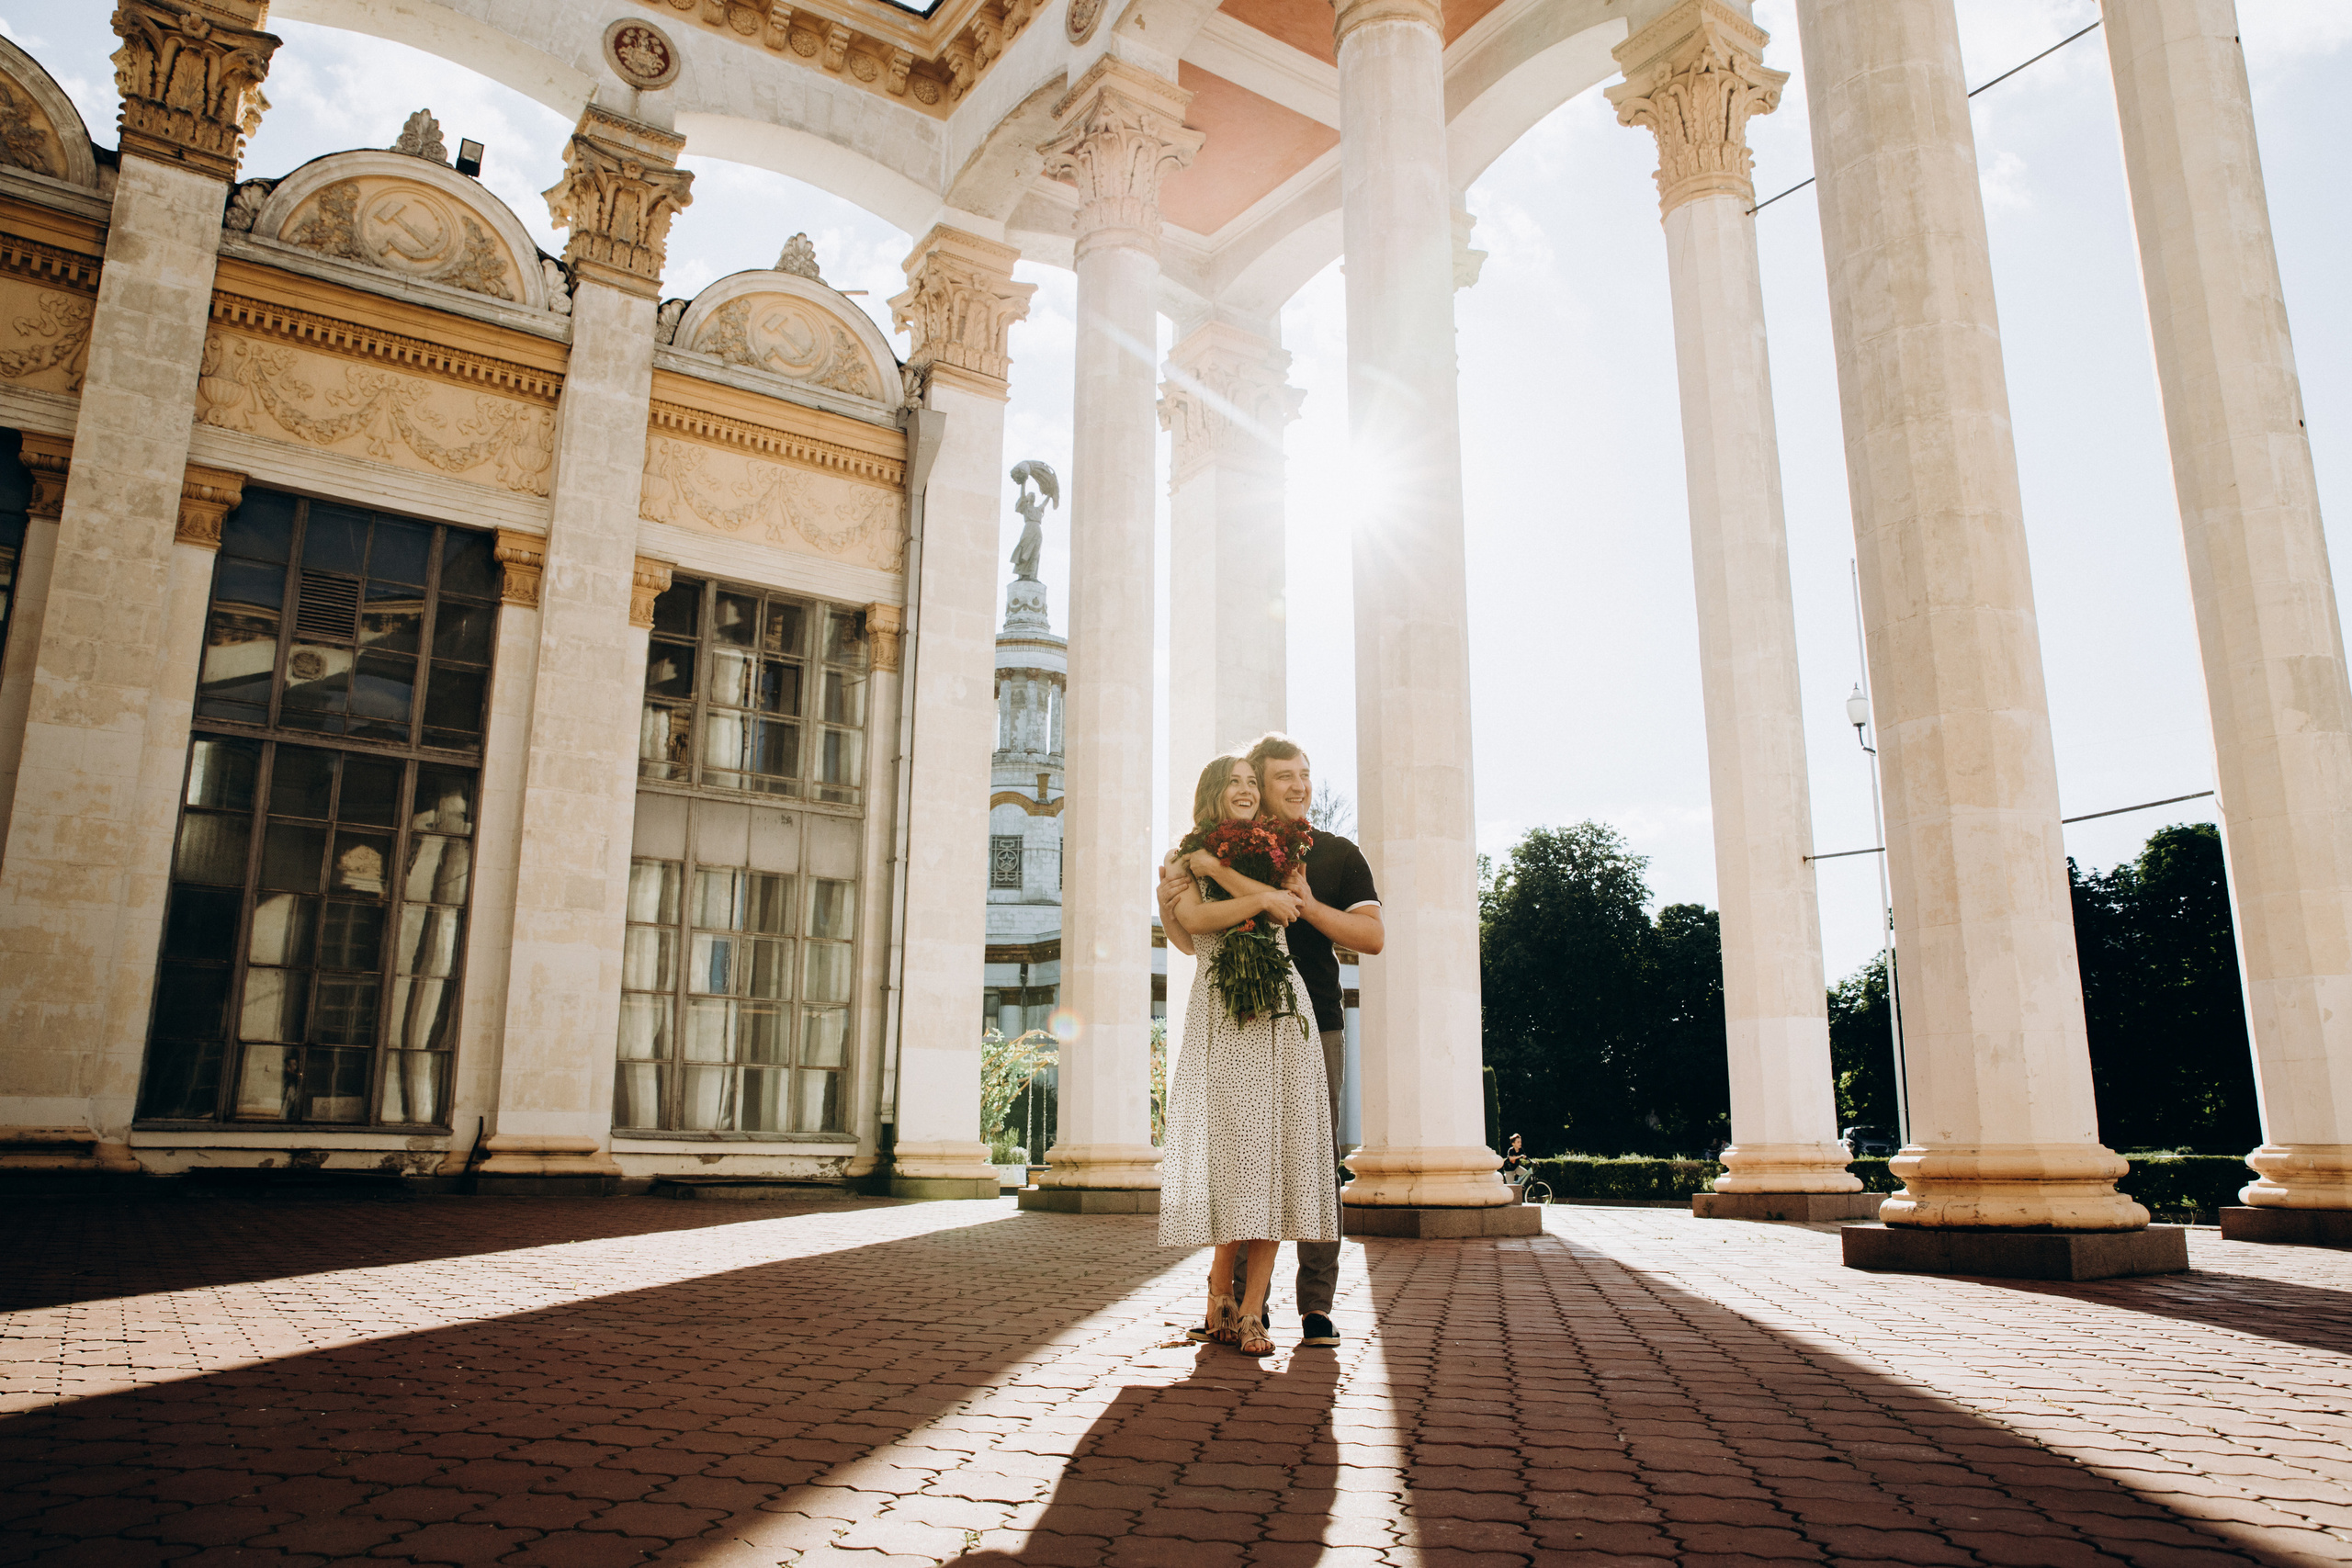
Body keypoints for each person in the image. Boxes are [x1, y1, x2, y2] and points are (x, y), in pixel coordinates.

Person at [1159, 732, 1382, 1349]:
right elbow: (1193, 941)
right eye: (1282, 775)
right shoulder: (1232, 847)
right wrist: (1172, 900)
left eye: (1305, 773)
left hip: (1316, 1023)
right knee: (1242, 1153)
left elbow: (1371, 936)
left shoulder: (1334, 853)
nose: (1298, 785)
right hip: (1241, 1018)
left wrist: (1304, 905)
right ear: (1254, 783)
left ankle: (1314, 1305)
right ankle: (1230, 1301)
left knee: (1308, 1160)